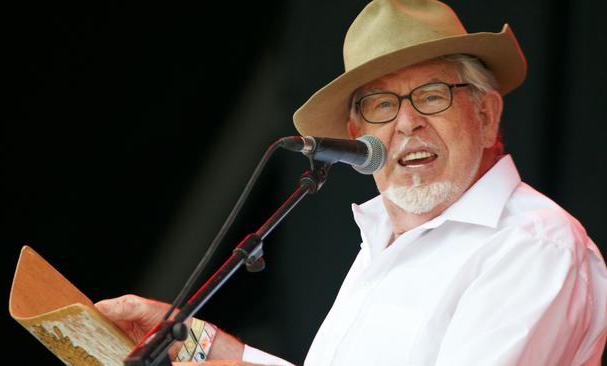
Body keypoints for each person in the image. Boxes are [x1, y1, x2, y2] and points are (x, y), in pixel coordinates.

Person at [96, 0, 607, 365]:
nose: (406, 123)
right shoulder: (385, 241)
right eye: (382, 106)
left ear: (487, 114)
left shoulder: (533, 245)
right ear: (357, 136)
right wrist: (187, 343)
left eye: (431, 95)